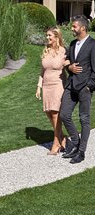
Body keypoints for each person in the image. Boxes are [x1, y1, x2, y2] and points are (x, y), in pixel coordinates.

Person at [60, 15, 95, 164]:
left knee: (84, 119)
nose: (72, 29)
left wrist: (89, 86)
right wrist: (69, 67)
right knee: (64, 114)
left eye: (74, 26)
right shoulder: (73, 43)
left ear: (82, 27)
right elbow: (67, 60)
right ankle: (75, 142)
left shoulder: (93, 45)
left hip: (84, 88)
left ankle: (81, 152)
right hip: (71, 85)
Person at [36, 27, 68, 155]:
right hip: (47, 86)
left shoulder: (63, 52)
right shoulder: (46, 51)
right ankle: (62, 137)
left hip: (58, 85)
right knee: (49, 113)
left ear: (56, 37)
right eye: (47, 35)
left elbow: (68, 68)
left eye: (50, 35)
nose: (47, 38)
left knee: (55, 113)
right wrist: (39, 86)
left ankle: (56, 142)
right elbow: (42, 71)